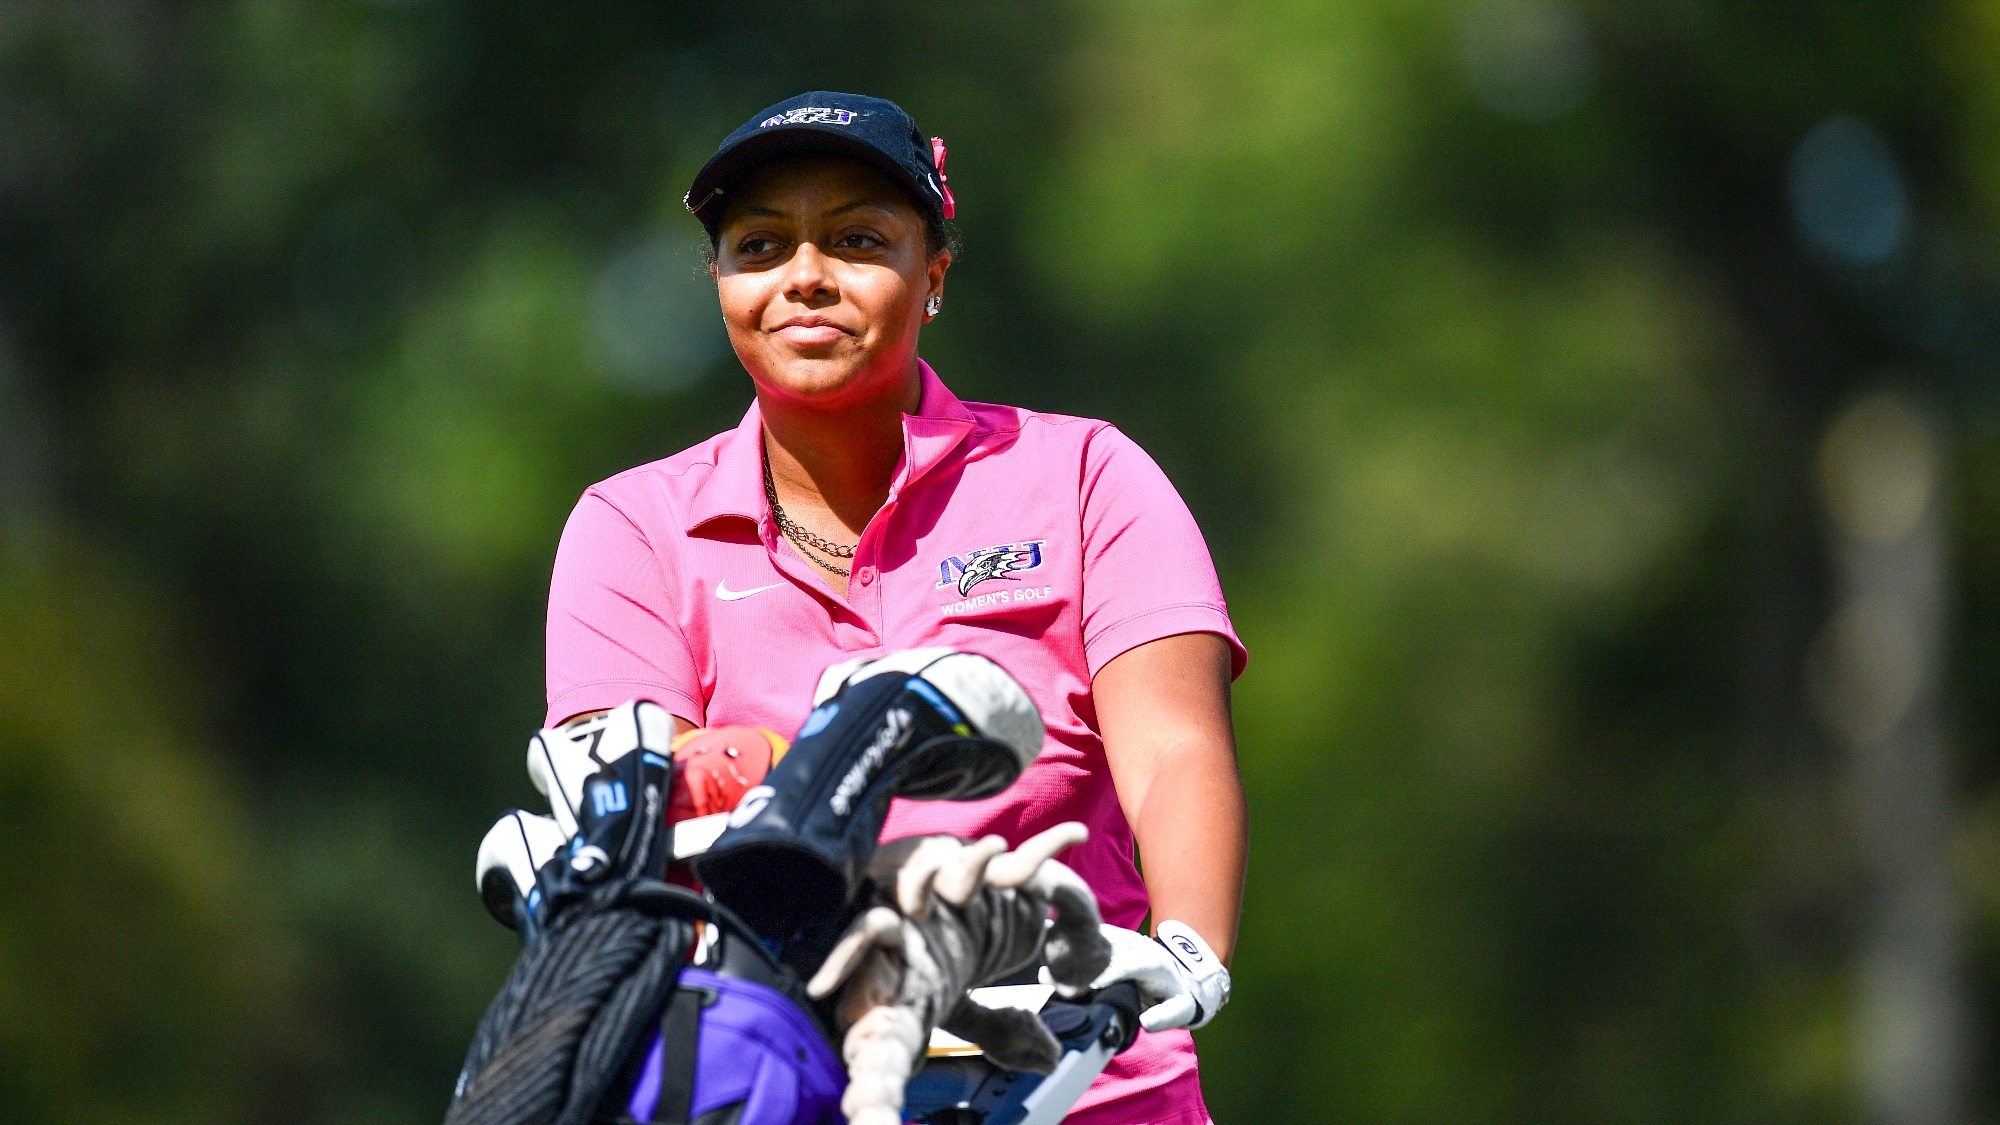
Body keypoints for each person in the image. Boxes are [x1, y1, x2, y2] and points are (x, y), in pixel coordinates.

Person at [544, 92, 1247, 1125]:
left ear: (934, 278)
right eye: (760, 245)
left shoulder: (1085, 474)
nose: (805, 276)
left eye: (857, 239)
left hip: (1086, 1078)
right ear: (722, 284)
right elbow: (649, 817)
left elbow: (1173, 749)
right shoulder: (631, 528)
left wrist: (1186, 945)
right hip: (778, 1082)